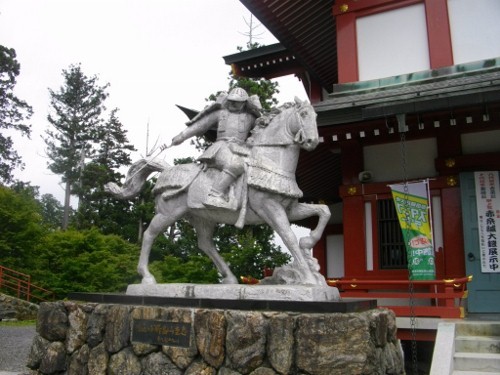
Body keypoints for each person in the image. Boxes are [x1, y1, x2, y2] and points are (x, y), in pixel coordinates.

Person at [171, 87, 262, 209]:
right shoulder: (220, 114)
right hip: (221, 147)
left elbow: (265, 126)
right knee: (236, 165)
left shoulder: (250, 118)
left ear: (244, 102)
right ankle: (214, 194)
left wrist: (258, 108)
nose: (233, 103)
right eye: (231, 100)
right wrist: (182, 136)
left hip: (243, 149)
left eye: (237, 101)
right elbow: (200, 125)